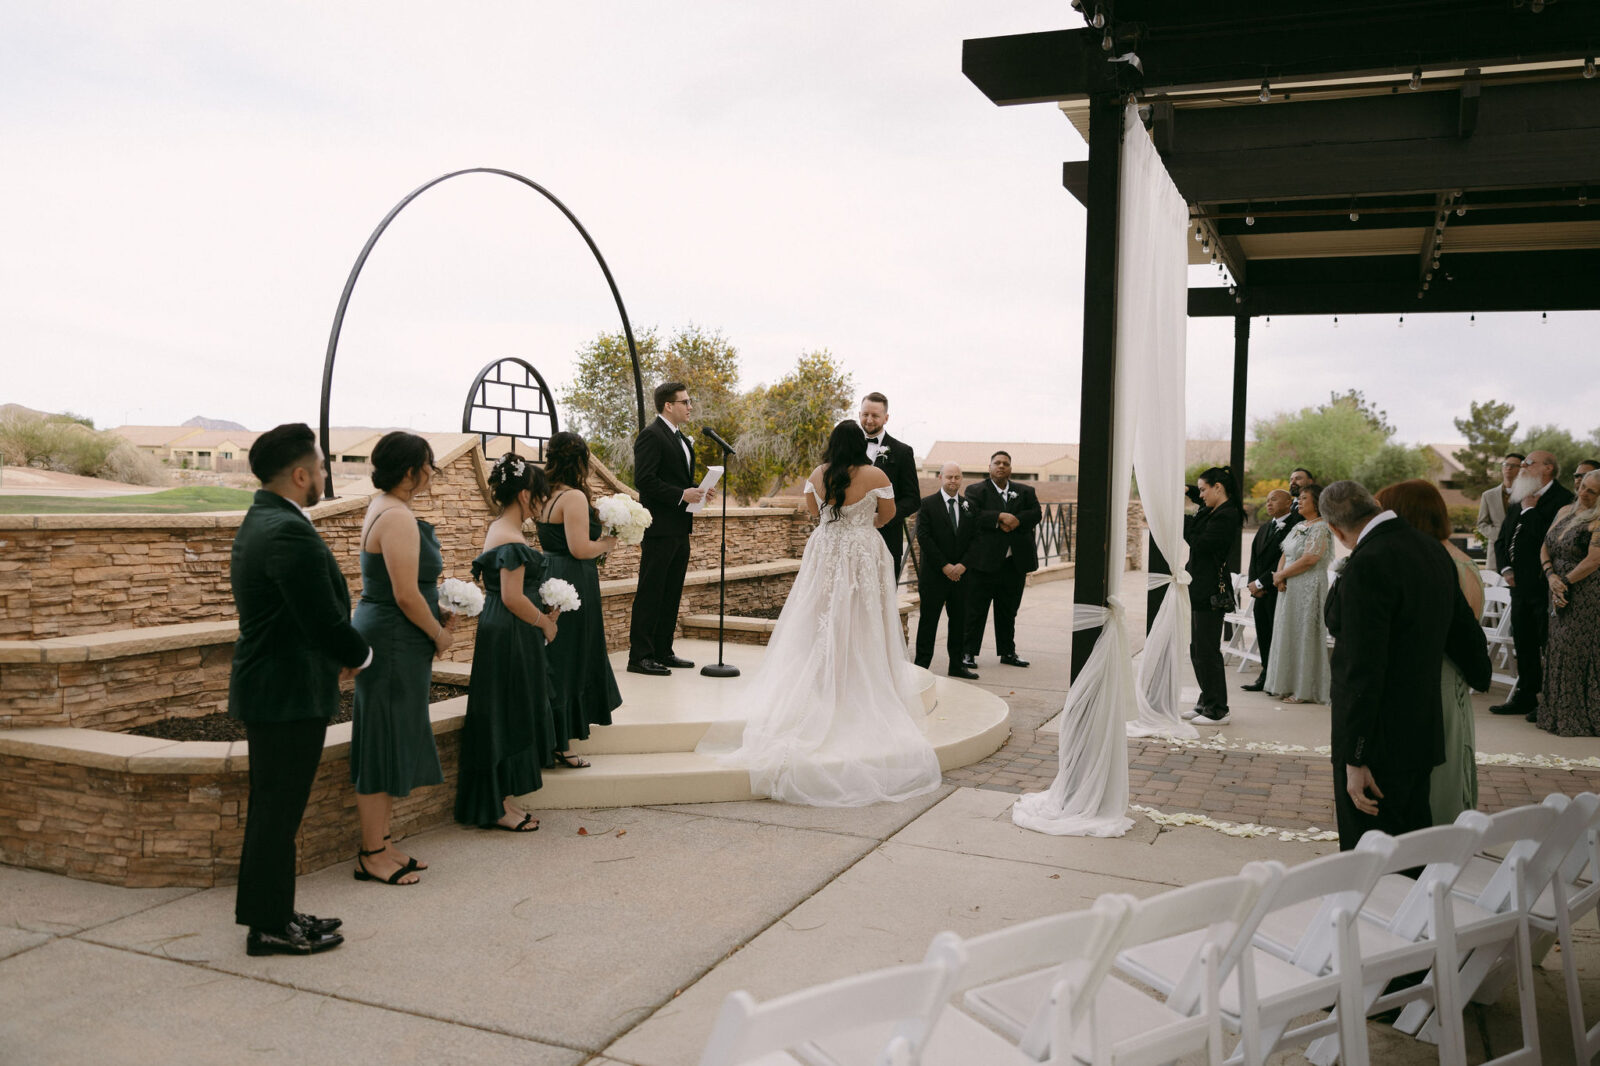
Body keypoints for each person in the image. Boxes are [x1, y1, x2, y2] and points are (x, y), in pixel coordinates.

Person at [697, 420, 941, 807]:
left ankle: (821, 683)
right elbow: (888, 515)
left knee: (819, 617)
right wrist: (863, 526)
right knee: (864, 619)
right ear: (861, 444)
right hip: (863, 552)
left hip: (826, 550)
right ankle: (855, 682)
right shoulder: (876, 473)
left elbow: (814, 511)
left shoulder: (817, 474)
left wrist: (839, 524)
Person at [228, 423, 369, 956]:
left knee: (275, 810)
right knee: (277, 812)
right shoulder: (284, 530)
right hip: (285, 690)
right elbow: (317, 616)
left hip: (276, 686)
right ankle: (267, 927)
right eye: (323, 467)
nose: (327, 476)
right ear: (301, 473)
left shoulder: (266, 518)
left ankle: (273, 913)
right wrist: (361, 655)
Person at [1321, 480, 1489, 850]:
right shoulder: (1433, 549)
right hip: (1421, 732)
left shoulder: (1369, 562)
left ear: (1336, 529)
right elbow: (1465, 632)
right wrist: (1480, 674)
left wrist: (1356, 756)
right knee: (1412, 844)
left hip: (1379, 741)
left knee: (1371, 855)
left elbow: (1362, 669)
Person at [350, 432, 452, 887]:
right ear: (411, 470)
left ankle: (383, 841)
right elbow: (407, 595)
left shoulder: (386, 507)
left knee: (390, 736)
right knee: (381, 741)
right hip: (394, 637)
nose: (431, 472)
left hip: (393, 634)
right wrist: (439, 634)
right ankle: (371, 853)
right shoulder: (396, 517)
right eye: (427, 464)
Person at [455, 454, 562, 832]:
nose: (541, 503)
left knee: (507, 708)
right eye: (538, 495)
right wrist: (545, 625)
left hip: (505, 627)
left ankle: (502, 798)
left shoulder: (501, 528)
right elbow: (514, 597)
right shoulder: (509, 537)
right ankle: (496, 805)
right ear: (523, 494)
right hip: (511, 629)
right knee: (507, 710)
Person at [1377, 479, 1490, 824]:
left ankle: (1439, 837)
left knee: (1440, 769)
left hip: (1439, 678)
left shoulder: (1455, 565)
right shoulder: (1420, 556)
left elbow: (1462, 635)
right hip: (1416, 677)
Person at [537, 431, 622, 765]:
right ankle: (563, 744)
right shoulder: (571, 497)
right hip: (572, 577)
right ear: (580, 460)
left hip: (551, 572)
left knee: (559, 655)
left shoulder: (547, 493)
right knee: (570, 657)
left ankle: (556, 736)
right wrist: (607, 544)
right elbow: (578, 548)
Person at [627, 382, 713, 676]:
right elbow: (645, 480)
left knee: (671, 592)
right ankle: (640, 656)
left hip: (680, 527)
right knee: (651, 592)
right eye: (685, 402)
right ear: (668, 405)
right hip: (659, 528)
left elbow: (675, 478)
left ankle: (663, 650)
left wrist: (697, 491)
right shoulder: (651, 436)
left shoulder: (683, 439)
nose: (690, 407)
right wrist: (681, 494)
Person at [1491, 450, 1577, 720]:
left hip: (1544, 585)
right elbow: (1502, 539)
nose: (1523, 467)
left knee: (1546, 643)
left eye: (1530, 463)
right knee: (1524, 641)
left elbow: (1552, 541)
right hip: (1518, 585)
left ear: (1548, 468)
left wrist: (1530, 511)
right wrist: (1506, 569)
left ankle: (1549, 700)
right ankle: (1526, 694)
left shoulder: (1564, 500)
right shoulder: (1521, 496)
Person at [961, 450, 1041, 669]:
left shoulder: (1025, 491)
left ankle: (1007, 652)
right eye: (997, 463)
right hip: (984, 563)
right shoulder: (975, 490)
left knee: (1008, 610)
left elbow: (1036, 513)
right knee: (976, 610)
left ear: (1010, 469)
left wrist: (1017, 519)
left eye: (1006, 463)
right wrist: (998, 517)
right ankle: (968, 652)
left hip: (1014, 563)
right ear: (989, 467)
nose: (1001, 466)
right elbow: (971, 515)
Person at [1538, 469, 1600, 736]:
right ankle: (1555, 714)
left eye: (1591, 491)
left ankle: (1578, 716)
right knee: (1558, 648)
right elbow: (1545, 545)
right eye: (1582, 486)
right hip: (1557, 587)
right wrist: (1551, 576)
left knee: (1577, 651)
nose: (1582, 493)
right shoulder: (1565, 510)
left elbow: (1594, 560)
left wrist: (1565, 582)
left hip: (1586, 592)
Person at [1183, 467, 1243, 725]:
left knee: (1207, 649)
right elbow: (1200, 500)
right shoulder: (1214, 509)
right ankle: (1206, 699)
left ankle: (1218, 709)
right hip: (1200, 586)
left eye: (1205, 489)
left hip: (1211, 590)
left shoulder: (1227, 515)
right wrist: (1187, 490)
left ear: (1219, 487)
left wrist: (1184, 515)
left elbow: (1201, 543)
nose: (1201, 495)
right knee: (1197, 648)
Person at [1263, 483, 1333, 705]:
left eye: (1304, 498)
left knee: (1305, 633)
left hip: (1308, 585)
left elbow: (1311, 558)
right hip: (1289, 585)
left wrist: (1281, 574)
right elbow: (1285, 552)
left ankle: (1304, 689)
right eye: (1299, 498)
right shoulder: (1299, 525)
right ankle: (1285, 683)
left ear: (1317, 503)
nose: (1299, 502)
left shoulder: (1321, 527)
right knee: (1288, 631)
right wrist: (1280, 575)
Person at [914, 462, 980, 679]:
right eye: (949, 477)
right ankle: (921, 666)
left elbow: (976, 539)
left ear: (962, 479)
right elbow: (924, 537)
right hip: (934, 574)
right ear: (940, 477)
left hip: (961, 576)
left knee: (960, 621)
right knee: (928, 621)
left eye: (957, 477)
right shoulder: (927, 504)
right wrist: (945, 566)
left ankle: (957, 665)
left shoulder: (969, 506)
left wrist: (962, 565)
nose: (953, 481)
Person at [858, 392, 921, 580]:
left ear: (886, 418)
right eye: (865, 414)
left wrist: (884, 517)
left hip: (886, 539)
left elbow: (912, 499)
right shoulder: (846, 447)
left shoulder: (902, 452)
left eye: (875, 416)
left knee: (883, 603)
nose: (869, 420)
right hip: (852, 540)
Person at [1241, 489, 1294, 692]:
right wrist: (1253, 584)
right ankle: (1265, 674)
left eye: (1274, 499)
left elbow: (1282, 559)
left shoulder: (1294, 527)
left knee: (1276, 634)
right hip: (1260, 592)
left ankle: (1276, 678)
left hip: (1277, 590)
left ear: (1289, 502)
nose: (1269, 503)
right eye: (1267, 500)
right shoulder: (1264, 528)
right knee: (1263, 633)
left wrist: (1262, 583)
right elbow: (1254, 558)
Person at [1475, 453, 1523, 572]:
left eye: (1513, 465)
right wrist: (1502, 536)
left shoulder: (1529, 495)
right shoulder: (1488, 495)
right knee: (1494, 590)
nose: (1508, 468)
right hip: (1495, 555)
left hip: (1521, 553)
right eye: (1506, 464)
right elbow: (1482, 524)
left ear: (1522, 469)